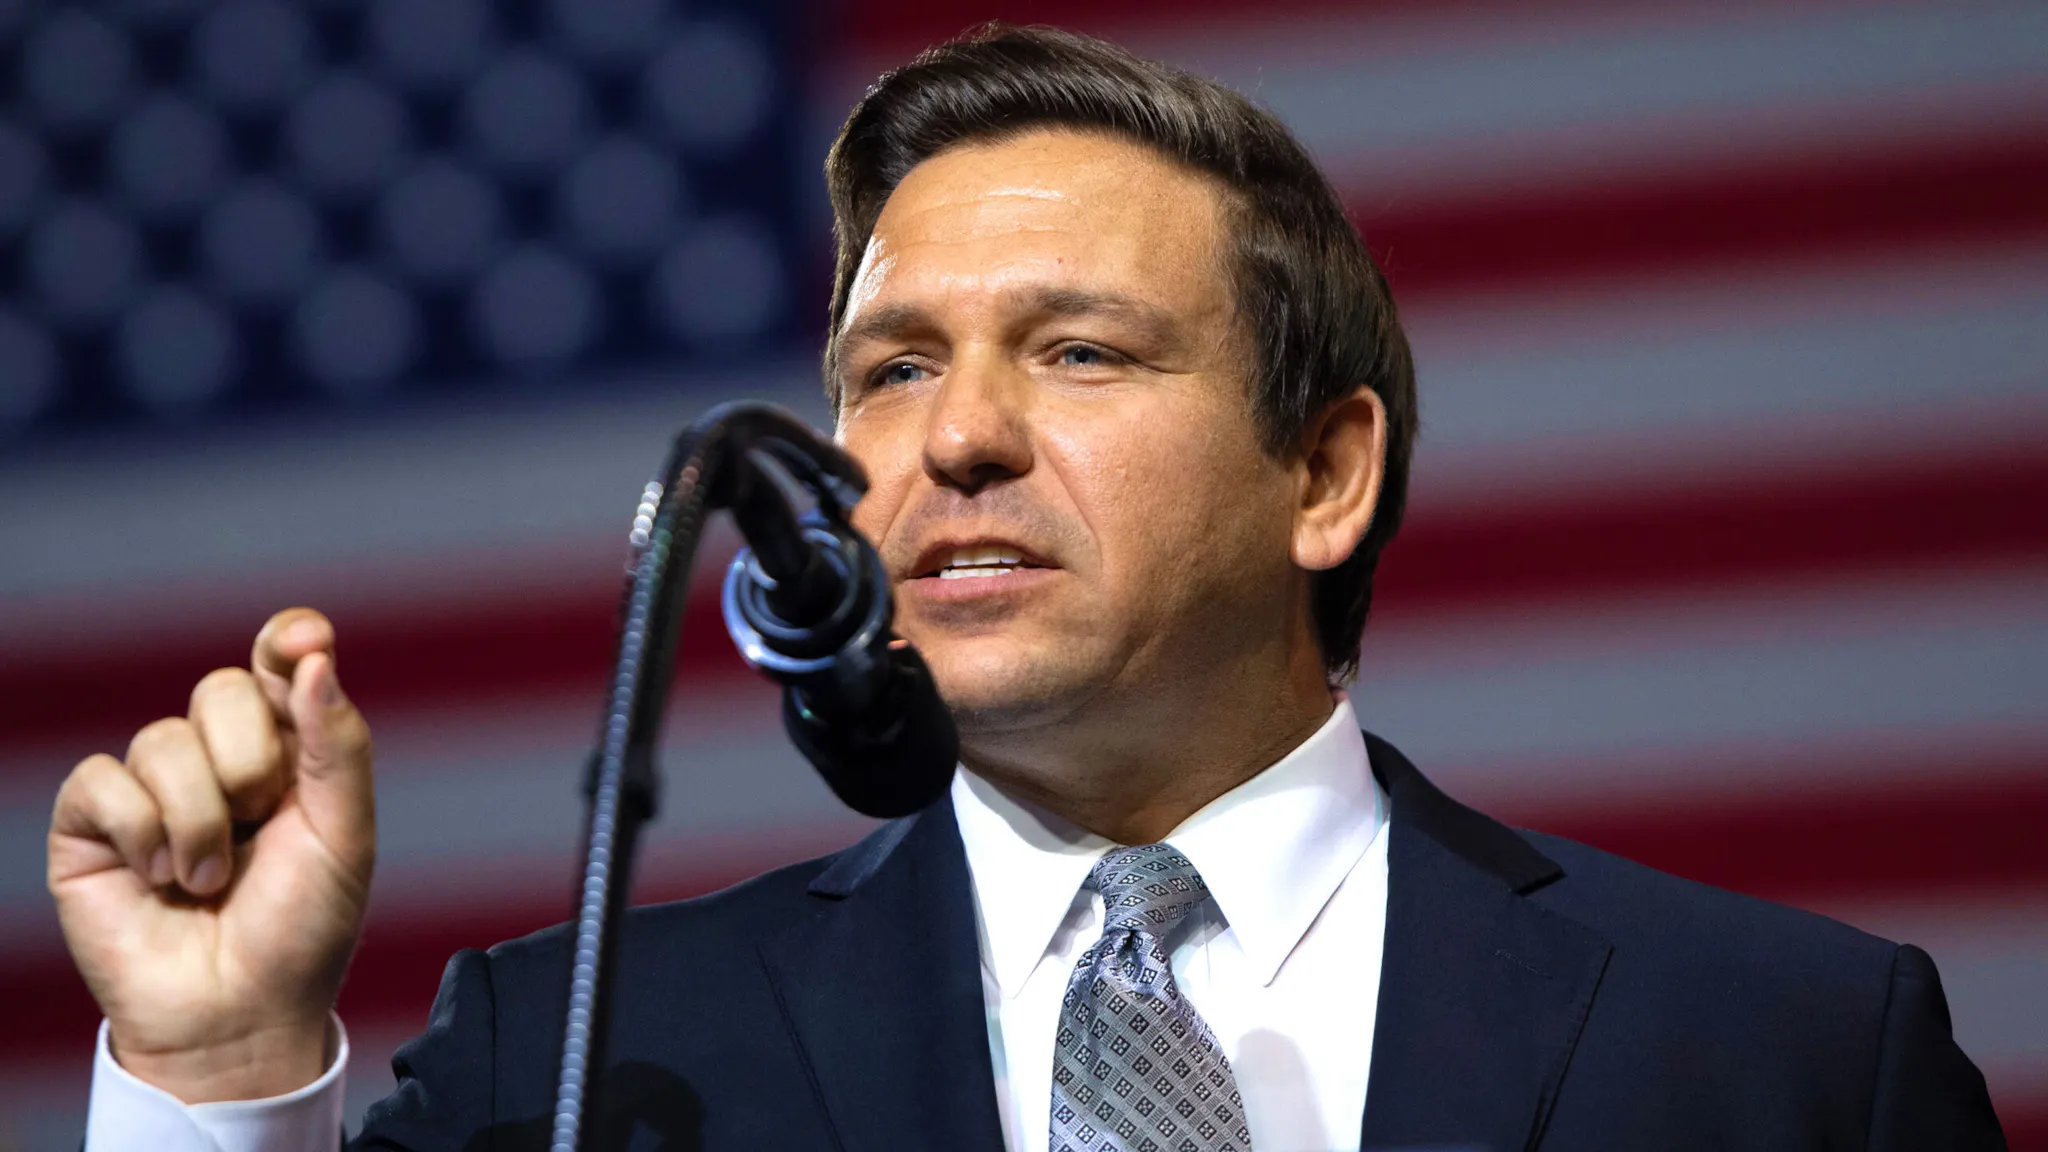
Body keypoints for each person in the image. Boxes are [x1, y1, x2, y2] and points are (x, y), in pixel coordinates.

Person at [51, 25, 2004, 1152]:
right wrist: (216, 1071)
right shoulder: (582, 1063)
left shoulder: (1786, 1059)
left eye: (1076, 351)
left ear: (1325, 472)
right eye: (889, 371)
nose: (949, 444)